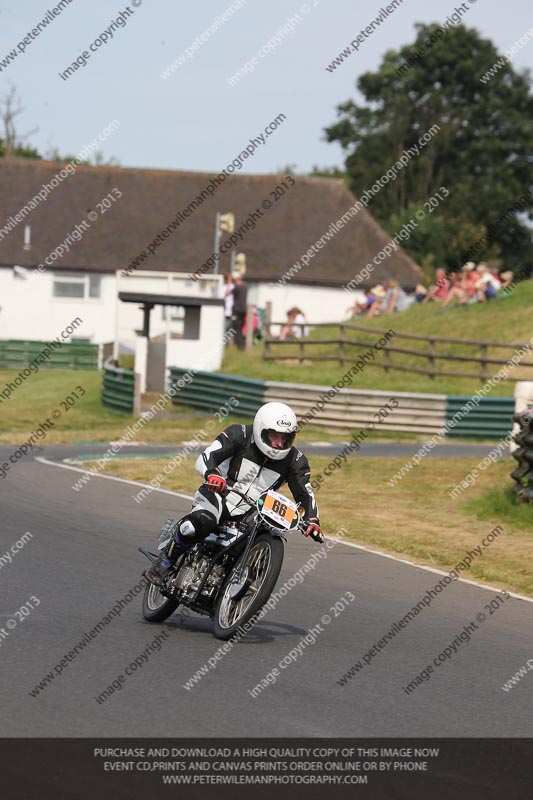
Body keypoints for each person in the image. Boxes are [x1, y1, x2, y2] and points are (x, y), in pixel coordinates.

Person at [144, 402, 323, 586]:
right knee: (199, 523)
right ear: (261, 429)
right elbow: (206, 457)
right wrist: (212, 474)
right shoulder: (239, 434)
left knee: (265, 535)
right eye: (274, 435)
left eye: (285, 438)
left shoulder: (295, 460)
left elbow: (305, 492)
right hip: (218, 494)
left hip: (252, 511)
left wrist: (312, 519)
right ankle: (164, 562)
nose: (279, 443)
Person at [231, 271, 247, 349]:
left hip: (236, 310)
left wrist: (229, 283)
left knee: (236, 328)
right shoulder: (245, 287)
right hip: (244, 310)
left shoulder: (236, 288)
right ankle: (242, 344)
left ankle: (239, 345)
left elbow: (228, 293)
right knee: (240, 328)